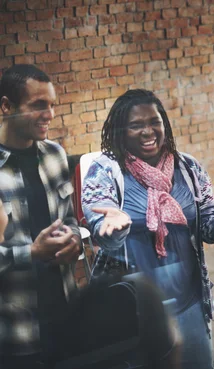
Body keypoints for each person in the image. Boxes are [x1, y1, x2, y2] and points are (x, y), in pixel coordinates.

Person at [81, 89, 214, 369]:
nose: (148, 131)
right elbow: (100, 217)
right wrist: (112, 227)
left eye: (154, 121)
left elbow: (210, 228)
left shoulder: (188, 168)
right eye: (136, 125)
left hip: (187, 301)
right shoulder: (106, 171)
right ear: (121, 130)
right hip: (133, 308)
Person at [0, 64, 82, 368]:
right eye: (38, 105)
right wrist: (31, 253)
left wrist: (73, 239)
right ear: (6, 106)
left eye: (52, 105)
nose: (49, 114)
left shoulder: (55, 155)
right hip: (14, 334)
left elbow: (71, 219)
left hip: (65, 319)